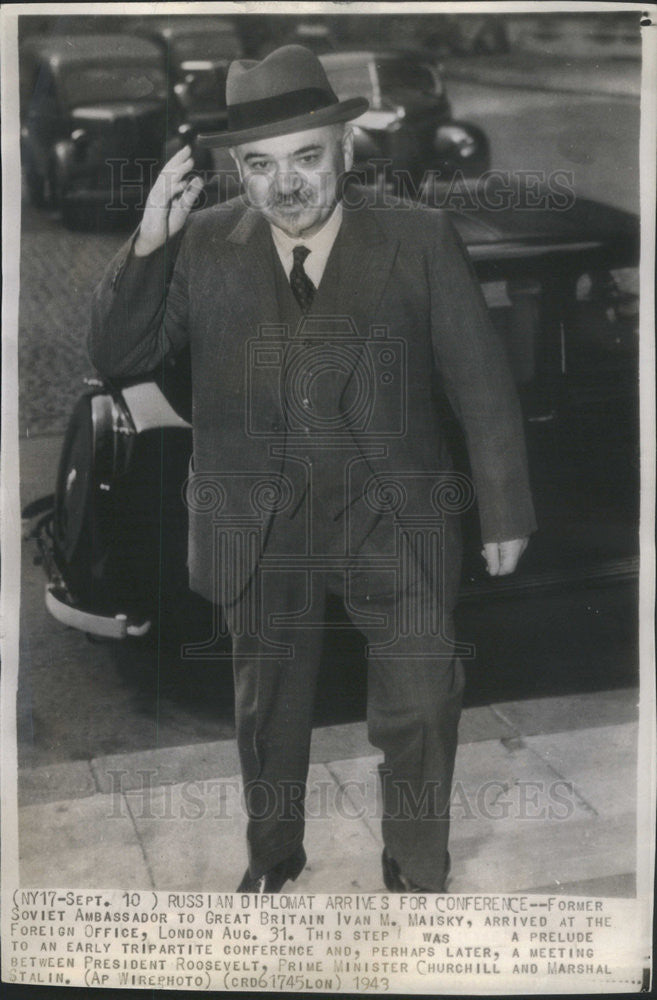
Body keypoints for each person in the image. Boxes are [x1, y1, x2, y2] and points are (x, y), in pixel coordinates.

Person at [90, 44, 536, 894]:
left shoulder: (418, 238)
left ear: (343, 151)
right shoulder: (204, 245)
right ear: (239, 172)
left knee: (422, 702)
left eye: (304, 158)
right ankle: (274, 856)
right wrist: (151, 239)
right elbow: (118, 350)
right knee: (269, 712)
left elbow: (480, 385)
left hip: (393, 519)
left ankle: (414, 866)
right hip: (258, 527)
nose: (285, 184)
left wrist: (504, 512)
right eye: (260, 166)